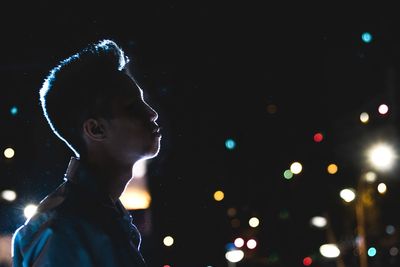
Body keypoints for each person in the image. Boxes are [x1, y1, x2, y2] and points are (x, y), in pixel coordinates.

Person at [11, 39, 162, 266]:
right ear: (96, 129)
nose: (152, 114)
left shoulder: (101, 218)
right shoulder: (63, 230)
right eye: (133, 107)